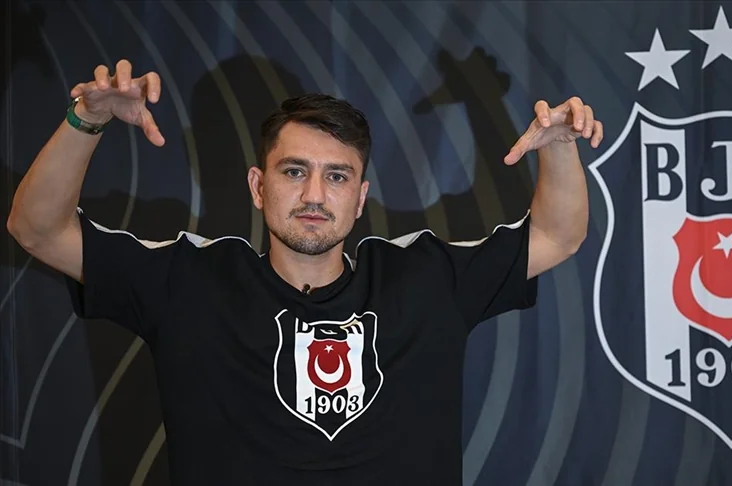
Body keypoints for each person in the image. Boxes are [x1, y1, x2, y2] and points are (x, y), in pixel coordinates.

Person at [7, 60, 602, 485]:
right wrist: (87, 117)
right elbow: (36, 229)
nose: (315, 194)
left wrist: (559, 145)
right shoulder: (190, 279)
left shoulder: (423, 277)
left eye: (336, 176)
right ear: (257, 186)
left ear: (360, 197)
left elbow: (557, 236)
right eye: (294, 172)